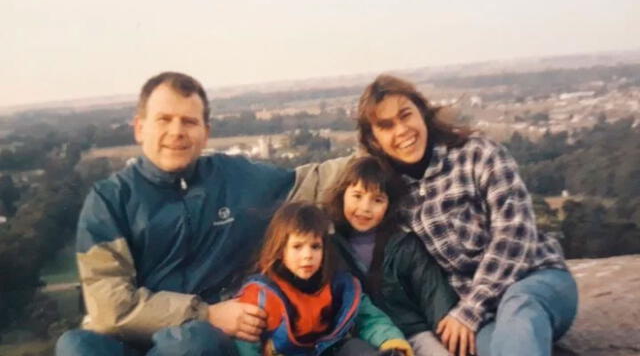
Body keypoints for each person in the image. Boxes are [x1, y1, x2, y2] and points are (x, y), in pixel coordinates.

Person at [55, 72, 339, 355]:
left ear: (206, 133)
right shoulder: (110, 200)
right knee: (76, 346)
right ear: (140, 128)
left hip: (207, 343)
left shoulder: (236, 177)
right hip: (140, 337)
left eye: (189, 121)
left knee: (192, 343)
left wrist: (378, 145)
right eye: (164, 119)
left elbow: (312, 181)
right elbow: (110, 306)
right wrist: (206, 314)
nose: (177, 131)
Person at [354, 74, 578, 356]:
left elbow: (514, 236)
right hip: (477, 315)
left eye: (405, 115)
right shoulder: (390, 193)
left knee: (519, 308)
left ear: (422, 113)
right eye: (386, 126)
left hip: (533, 280)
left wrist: (471, 308)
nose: (401, 131)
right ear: (374, 140)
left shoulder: (477, 153)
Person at [234, 201, 413, 356]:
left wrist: (392, 341)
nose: (307, 255)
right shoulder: (261, 295)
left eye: (315, 247)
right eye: (297, 247)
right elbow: (246, 344)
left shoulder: (339, 286)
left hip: (329, 350)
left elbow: (370, 318)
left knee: (354, 347)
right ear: (281, 250)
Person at [323, 156, 458, 356]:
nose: (365, 208)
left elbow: (433, 295)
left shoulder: (404, 245)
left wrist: (450, 334)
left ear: (389, 205)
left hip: (413, 332)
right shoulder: (330, 246)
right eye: (357, 196)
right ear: (342, 195)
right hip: (361, 338)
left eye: (377, 200)